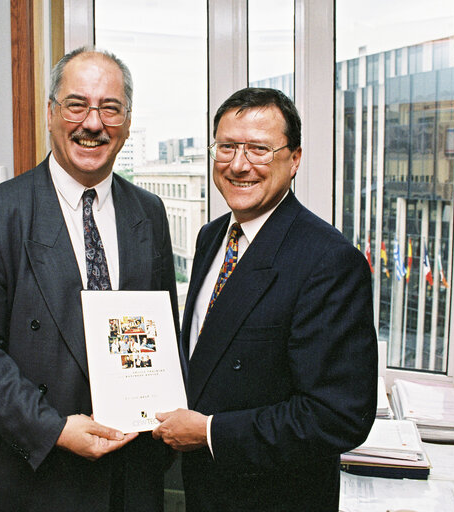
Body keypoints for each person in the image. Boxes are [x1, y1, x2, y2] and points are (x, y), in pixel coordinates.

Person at [0, 46, 179, 511]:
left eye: (110, 108)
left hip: (136, 477)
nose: (93, 123)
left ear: (127, 123)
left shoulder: (149, 212)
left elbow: (162, 328)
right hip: (42, 477)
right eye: (76, 104)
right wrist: (52, 428)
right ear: (50, 114)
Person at [152, 87, 377, 511]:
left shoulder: (328, 261)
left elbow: (337, 416)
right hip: (204, 491)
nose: (239, 165)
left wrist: (210, 432)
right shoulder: (212, 236)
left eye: (258, 149)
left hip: (274, 498)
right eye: (227, 147)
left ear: (294, 160)